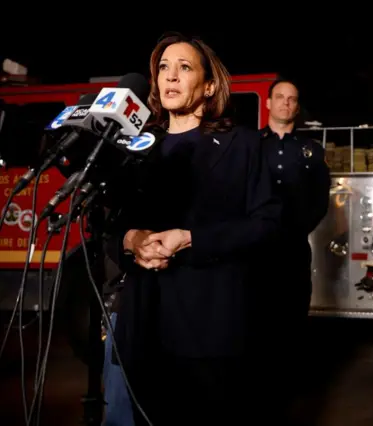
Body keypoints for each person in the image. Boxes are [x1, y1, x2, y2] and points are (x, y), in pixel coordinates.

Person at [107, 32, 281, 426]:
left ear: (209, 85)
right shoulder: (135, 147)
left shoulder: (244, 146)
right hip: (145, 328)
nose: (170, 76)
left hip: (212, 331)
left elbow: (268, 225)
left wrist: (191, 239)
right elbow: (109, 226)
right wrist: (131, 240)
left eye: (184, 67)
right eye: (163, 68)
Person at [258, 79, 330, 421]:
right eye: (280, 98)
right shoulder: (250, 145)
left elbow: (320, 199)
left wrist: (298, 228)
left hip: (293, 249)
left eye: (292, 100)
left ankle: (287, 393)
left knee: (292, 318)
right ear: (269, 103)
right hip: (255, 251)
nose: (286, 104)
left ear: (296, 107)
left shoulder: (312, 150)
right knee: (255, 317)